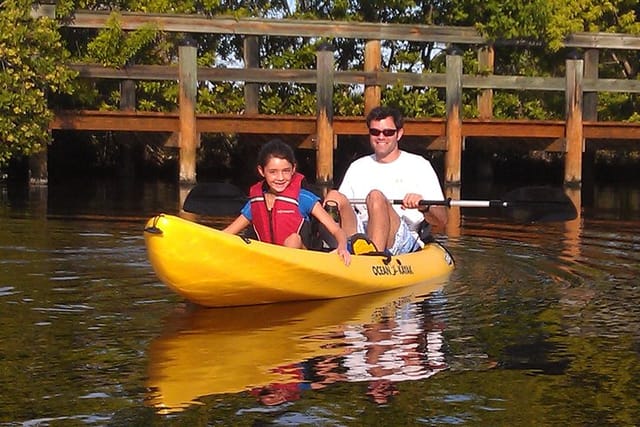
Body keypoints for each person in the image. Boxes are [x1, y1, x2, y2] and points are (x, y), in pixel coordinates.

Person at [325, 106, 447, 255]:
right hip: (360, 234)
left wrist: (424, 207)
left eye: (388, 132)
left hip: (400, 236)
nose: (381, 137)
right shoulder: (357, 167)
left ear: (399, 134)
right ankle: (334, 249)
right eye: (375, 132)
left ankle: (373, 258)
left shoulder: (420, 165)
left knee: (376, 197)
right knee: (333, 196)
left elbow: (442, 220)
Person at [223, 139, 351, 265]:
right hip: (269, 260)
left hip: (304, 260)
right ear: (262, 171)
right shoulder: (255, 203)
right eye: (273, 172)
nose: (280, 178)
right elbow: (227, 234)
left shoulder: (304, 198)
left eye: (285, 171)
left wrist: (342, 246)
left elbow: (336, 231)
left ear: (293, 169)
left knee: (293, 239)